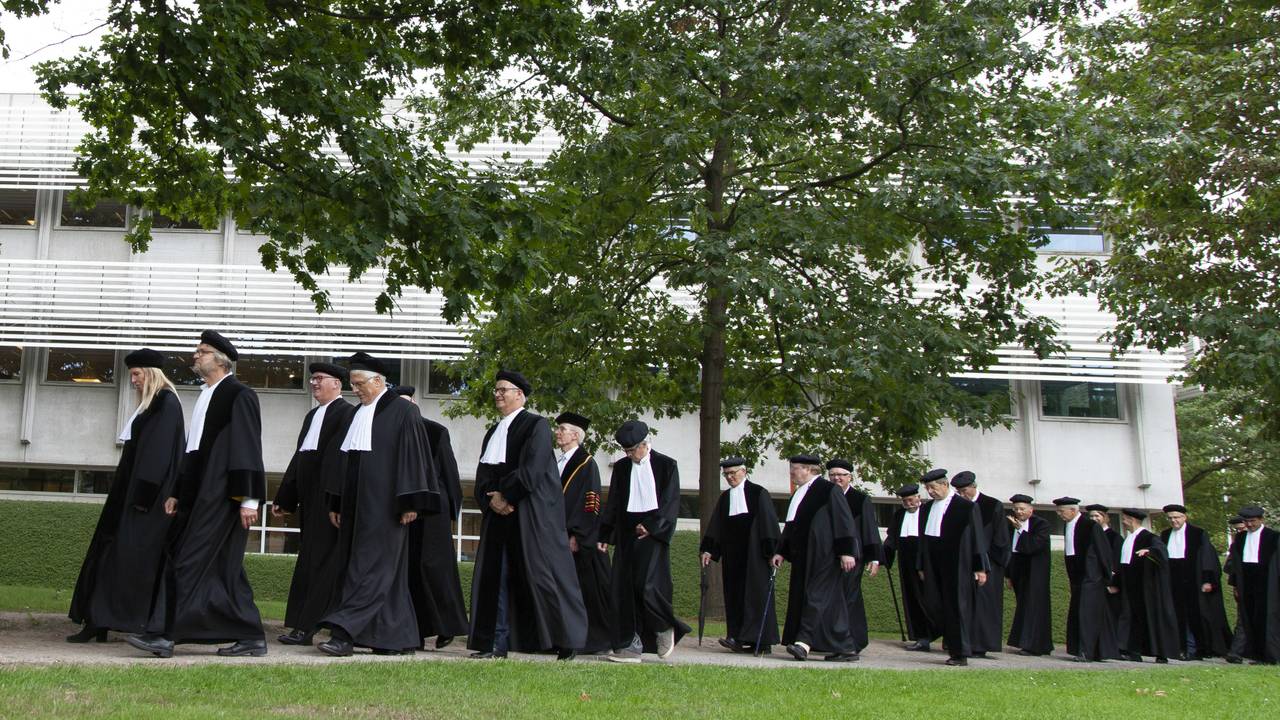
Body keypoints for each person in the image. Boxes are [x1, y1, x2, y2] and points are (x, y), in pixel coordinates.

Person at [127, 331, 267, 658]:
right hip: (200, 494)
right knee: (226, 568)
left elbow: (248, 448)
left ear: (220, 359)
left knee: (185, 560)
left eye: (202, 351)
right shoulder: (205, 395)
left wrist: (248, 500)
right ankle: (250, 635)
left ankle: (165, 635)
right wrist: (178, 491)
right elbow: (193, 450)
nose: (195, 355)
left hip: (223, 496)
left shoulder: (239, 394)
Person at [315, 354, 442, 656]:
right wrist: (336, 502)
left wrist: (410, 503)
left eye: (359, 383)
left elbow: (414, 459)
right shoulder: (356, 413)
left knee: (369, 569)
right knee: (386, 574)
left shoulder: (403, 411)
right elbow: (344, 461)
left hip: (387, 507)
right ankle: (394, 639)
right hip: (356, 506)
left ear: (378, 381)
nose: (355, 389)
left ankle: (344, 633)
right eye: (352, 384)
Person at [68, 349, 184, 643]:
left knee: (127, 561)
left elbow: (157, 456)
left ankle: (113, 621)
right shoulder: (152, 405)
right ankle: (98, 620)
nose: (133, 380)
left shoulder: (166, 403)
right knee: (108, 555)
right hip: (132, 495)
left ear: (152, 374)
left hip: (146, 500)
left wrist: (142, 499)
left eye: (137, 374)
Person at [468, 371, 586, 660]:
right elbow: (484, 473)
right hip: (499, 515)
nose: (497, 394)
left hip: (530, 515)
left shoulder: (536, 426)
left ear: (519, 395)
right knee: (496, 577)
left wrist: (506, 496)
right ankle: (495, 643)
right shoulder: (493, 431)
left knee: (545, 576)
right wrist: (490, 499)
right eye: (496, 390)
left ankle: (566, 640)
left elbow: (532, 470)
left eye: (503, 390)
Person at [272, 362, 356, 646]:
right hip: (310, 502)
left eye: (320, 378)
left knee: (323, 564)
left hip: (329, 501)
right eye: (312, 379)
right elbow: (300, 458)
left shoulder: (347, 413)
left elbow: (341, 462)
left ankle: (311, 627)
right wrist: (285, 497)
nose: (314, 383)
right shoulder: (311, 416)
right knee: (309, 561)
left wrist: (337, 501)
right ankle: (302, 625)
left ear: (337, 384)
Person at [599, 420, 690, 662]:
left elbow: (670, 502)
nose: (629, 455)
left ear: (644, 444)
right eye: (626, 451)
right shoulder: (621, 467)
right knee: (623, 588)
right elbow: (614, 502)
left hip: (653, 536)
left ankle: (664, 627)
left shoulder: (666, 465)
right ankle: (630, 644)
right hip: (627, 535)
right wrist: (605, 534)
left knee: (647, 586)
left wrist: (652, 526)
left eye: (632, 450)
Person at [394, 386, 469, 651]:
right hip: (403, 510)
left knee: (435, 567)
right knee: (409, 571)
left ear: (414, 404)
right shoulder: (389, 432)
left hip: (433, 511)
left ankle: (447, 625)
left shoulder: (435, 431)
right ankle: (415, 631)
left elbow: (449, 472)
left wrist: (451, 511)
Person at [771, 454, 859, 662]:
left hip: (825, 555)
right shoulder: (798, 493)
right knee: (832, 603)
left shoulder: (829, 490)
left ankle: (803, 643)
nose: (792, 473)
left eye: (795, 469)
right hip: (804, 557)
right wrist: (781, 551)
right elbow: (791, 526)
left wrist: (847, 551)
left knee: (816, 596)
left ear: (809, 469)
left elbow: (844, 520)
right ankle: (845, 647)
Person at [699, 456, 780, 654]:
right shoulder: (725, 498)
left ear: (744, 471)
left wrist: (772, 552)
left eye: (733, 473)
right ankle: (736, 637)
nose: (729, 477)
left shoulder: (758, 493)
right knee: (734, 595)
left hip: (756, 556)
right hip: (733, 556)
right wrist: (709, 549)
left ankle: (761, 641)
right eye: (726, 474)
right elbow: (717, 525)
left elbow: (769, 523)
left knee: (756, 596)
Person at [554, 411, 614, 655]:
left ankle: (590, 640)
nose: (557, 433)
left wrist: (578, 535)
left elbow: (591, 503)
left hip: (577, 538)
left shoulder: (587, 464)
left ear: (576, 435)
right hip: (556, 534)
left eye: (562, 429)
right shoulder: (558, 462)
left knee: (583, 590)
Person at [917, 469, 989, 666]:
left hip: (957, 565)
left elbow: (977, 539)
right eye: (927, 488)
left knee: (956, 607)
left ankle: (960, 653)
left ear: (945, 484)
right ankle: (950, 643)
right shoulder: (926, 508)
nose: (930, 491)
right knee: (934, 604)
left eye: (933, 487)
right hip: (933, 564)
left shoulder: (965, 507)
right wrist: (921, 564)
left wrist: (980, 567)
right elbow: (922, 540)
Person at [1159, 504, 1232, 660]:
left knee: (1195, 615)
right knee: (1177, 614)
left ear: (1184, 517)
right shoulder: (1165, 535)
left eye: (1177, 517)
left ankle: (1197, 648)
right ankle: (1181, 647)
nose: (1174, 521)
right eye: (1170, 518)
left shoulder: (1197, 534)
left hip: (1194, 580)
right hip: (1174, 580)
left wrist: (1207, 580)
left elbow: (1207, 557)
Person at [951, 471, 1009, 657]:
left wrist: (987, 562)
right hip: (964, 563)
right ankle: (962, 643)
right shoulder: (957, 506)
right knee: (963, 603)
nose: (962, 494)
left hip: (989, 563)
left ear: (974, 486)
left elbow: (1000, 537)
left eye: (964, 490)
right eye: (959, 491)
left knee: (984, 605)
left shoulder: (992, 505)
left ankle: (981, 645)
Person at [1110, 508, 1179, 663]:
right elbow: (1123, 565)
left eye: (1125, 519)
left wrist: (1149, 551)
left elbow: (1161, 551)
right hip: (1130, 587)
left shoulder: (1148, 537)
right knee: (1130, 617)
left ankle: (1160, 653)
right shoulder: (1128, 539)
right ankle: (1131, 650)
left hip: (1146, 588)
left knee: (1151, 618)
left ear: (1132, 520)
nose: (1123, 522)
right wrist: (1115, 583)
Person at [827, 459, 881, 655]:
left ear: (850, 477)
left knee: (849, 598)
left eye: (841, 475)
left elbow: (870, 529)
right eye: (833, 475)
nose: (837, 478)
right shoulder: (825, 496)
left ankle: (851, 641)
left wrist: (874, 558)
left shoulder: (860, 500)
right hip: (829, 557)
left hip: (853, 557)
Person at [1055, 496, 1118, 662]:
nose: (1059, 514)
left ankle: (1087, 651)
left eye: (1061, 511)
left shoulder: (1090, 526)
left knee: (1088, 614)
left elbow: (1103, 551)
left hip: (1091, 576)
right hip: (1077, 577)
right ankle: (1088, 650)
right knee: (1080, 612)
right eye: (1058, 512)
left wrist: (1107, 577)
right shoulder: (1067, 526)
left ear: (1073, 510)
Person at [882, 480, 936, 651]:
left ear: (918, 497)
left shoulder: (928, 512)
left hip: (926, 563)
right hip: (906, 562)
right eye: (905, 501)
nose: (908, 504)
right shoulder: (899, 516)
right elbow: (891, 539)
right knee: (911, 598)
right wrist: (883, 558)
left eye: (911, 500)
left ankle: (941, 633)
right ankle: (921, 637)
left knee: (929, 598)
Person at [1225, 506, 1280, 664]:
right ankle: (1257, 655)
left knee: (1267, 619)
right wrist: (1235, 584)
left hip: (1268, 583)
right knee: (1250, 618)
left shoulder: (1273, 537)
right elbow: (1236, 564)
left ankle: (1271, 656)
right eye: (1246, 521)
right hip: (1247, 582)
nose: (1249, 524)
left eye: (1253, 521)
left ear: (1261, 520)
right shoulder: (1240, 538)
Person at [1005, 494, 1052, 656]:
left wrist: (1020, 529)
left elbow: (1034, 546)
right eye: (1016, 509)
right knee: (1023, 606)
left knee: (1034, 607)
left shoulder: (1041, 524)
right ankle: (1024, 642)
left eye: (1022, 509)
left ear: (1031, 510)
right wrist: (1008, 575)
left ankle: (1035, 645)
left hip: (1035, 572)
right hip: (1018, 570)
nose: (1019, 512)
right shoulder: (1010, 524)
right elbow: (1010, 550)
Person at [1085, 503, 1123, 628]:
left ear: (1105, 517)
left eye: (1097, 516)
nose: (1094, 519)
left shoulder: (1115, 537)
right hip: (1093, 582)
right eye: (1091, 516)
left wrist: (1114, 583)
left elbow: (1117, 562)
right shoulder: (1089, 536)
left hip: (1108, 583)